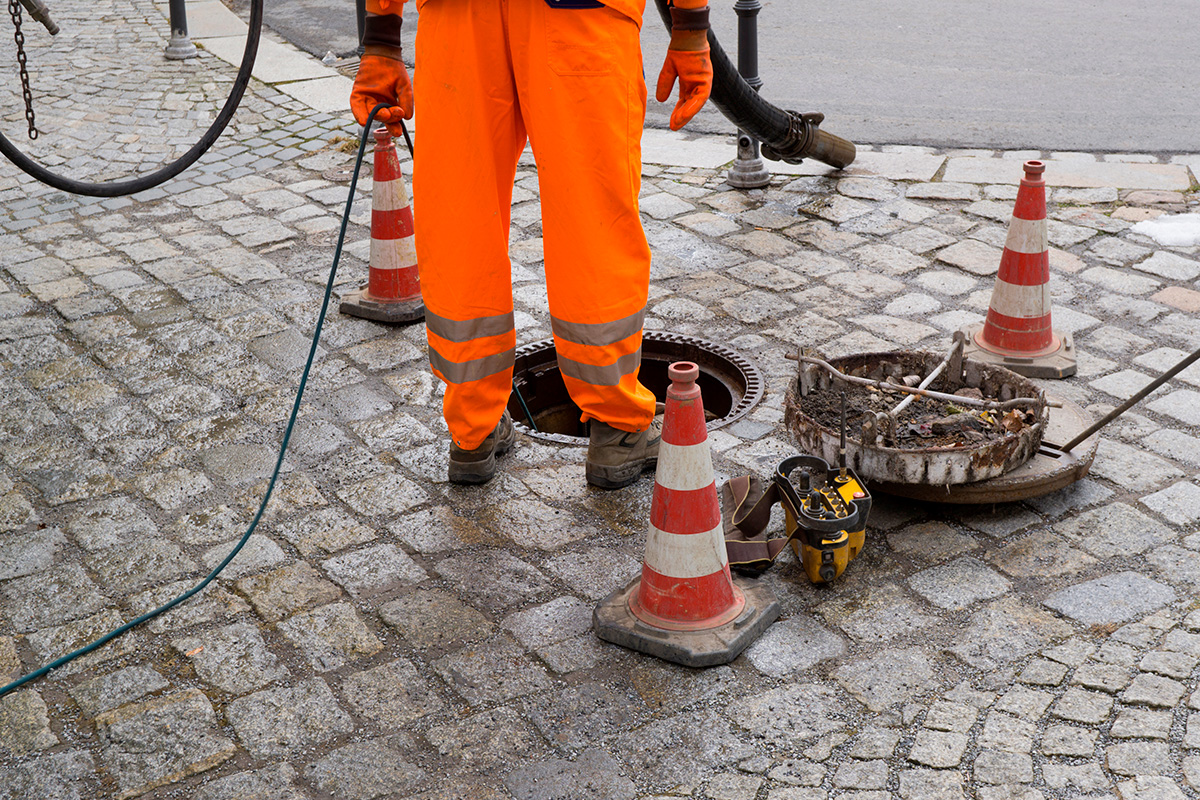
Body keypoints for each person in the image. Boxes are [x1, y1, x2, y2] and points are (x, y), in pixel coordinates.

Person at [350, 0, 712, 488]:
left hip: (460, 20)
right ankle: (616, 426)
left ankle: (473, 427)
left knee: (460, 213)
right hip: (578, 17)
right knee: (593, 218)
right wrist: (689, 24)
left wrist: (381, 36)